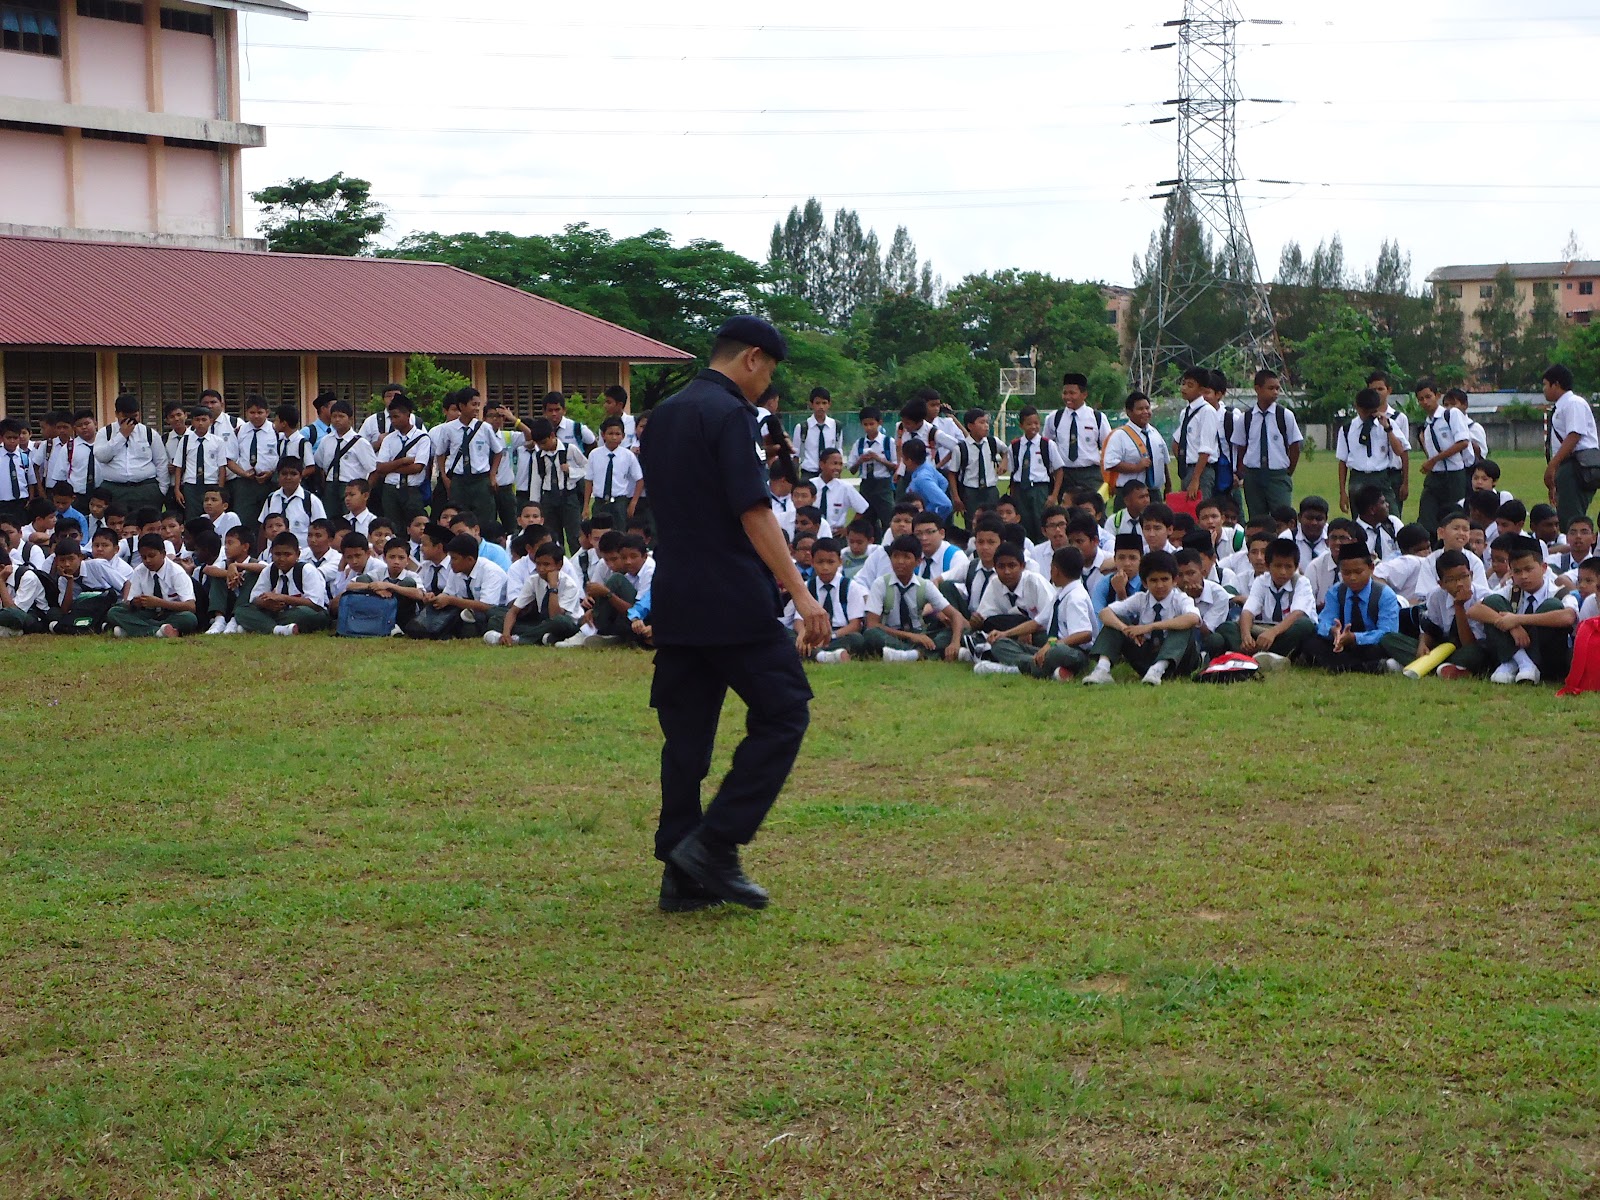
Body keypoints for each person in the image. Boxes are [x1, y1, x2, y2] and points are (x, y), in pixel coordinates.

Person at [639, 315, 827, 914]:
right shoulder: (731, 416)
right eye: (768, 371)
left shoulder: (664, 415)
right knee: (784, 709)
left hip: (675, 594)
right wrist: (800, 593)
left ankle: (680, 871)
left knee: (686, 739)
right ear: (751, 359)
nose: (766, 385)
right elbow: (753, 511)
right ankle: (715, 845)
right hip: (730, 597)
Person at [1469, 533, 1579, 685]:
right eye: (1517, 571)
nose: (1524, 576)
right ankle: (1521, 662)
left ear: (1544, 568)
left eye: (1529, 569)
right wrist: (1512, 626)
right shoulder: (1511, 590)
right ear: (1511, 573)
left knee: (1551, 606)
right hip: (1515, 655)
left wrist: (1517, 619)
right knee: (1493, 602)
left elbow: (1568, 617)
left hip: (1547, 659)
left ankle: (1524, 664)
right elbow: (1474, 610)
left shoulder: (1559, 591)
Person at [1083, 549, 1199, 686]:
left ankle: (1158, 669)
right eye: (1154, 580)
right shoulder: (1140, 599)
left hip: (1179, 662)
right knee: (1117, 620)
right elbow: (1105, 613)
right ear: (1145, 583)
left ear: (1174, 580)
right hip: (1146, 657)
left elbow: (1193, 618)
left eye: (1165, 579)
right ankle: (1102, 669)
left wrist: (1149, 627)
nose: (1160, 585)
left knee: (1182, 626)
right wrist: (1127, 629)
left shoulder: (1180, 599)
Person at [1302, 542, 1401, 674]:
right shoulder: (1336, 592)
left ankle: (1345, 665)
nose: (1353, 577)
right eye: (1346, 573)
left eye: (1358, 572)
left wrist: (1355, 638)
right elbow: (1324, 620)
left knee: (1381, 647)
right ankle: (1365, 667)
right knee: (1312, 643)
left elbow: (1387, 631)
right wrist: (1333, 631)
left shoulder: (1385, 594)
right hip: (1342, 643)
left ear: (1371, 568)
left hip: (1368, 643)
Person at [1231, 369, 1301, 520]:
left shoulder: (1285, 415)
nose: (1275, 392)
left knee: (1282, 518)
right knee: (1257, 520)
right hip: (1253, 476)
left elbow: (1295, 447)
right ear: (1257, 389)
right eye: (1271, 388)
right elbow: (1241, 448)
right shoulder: (1246, 418)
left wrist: (1287, 472)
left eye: (1277, 388)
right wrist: (1242, 472)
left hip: (1278, 475)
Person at [234, 532, 330, 636]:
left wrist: (282, 598)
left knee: (305, 614)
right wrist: (265, 603)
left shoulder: (306, 570)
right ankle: (277, 629)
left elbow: (314, 604)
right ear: (271, 553)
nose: (282, 559)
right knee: (241, 610)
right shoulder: (270, 570)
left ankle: (259, 626)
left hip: (305, 612)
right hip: (277, 613)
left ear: (298, 554)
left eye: (287, 554)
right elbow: (254, 599)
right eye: (277, 554)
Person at [106, 532, 197, 638]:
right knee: (115, 612)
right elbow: (130, 601)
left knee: (189, 619)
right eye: (143, 557)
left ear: (163, 553)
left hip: (171, 613)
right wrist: (135, 603)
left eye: (151, 556)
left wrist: (160, 603)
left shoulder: (177, 573)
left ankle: (133, 630)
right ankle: (158, 632)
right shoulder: (139, 571)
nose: (147, 561)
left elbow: (190, 606)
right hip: (148, 613)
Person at [1336, 386, 1408, 518]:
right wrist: (1342, 492)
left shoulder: (1387, 424)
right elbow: (1342, 461)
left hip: (1380, 477)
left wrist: (1388, 429)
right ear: (1357, 407)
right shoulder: (1347, 429)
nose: (1368, 416)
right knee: (1360, 520)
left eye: (1372, 412)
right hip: (1358, 478)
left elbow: (1399, 451)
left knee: (1391, 518)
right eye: (1365, 412)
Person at [1541, 363, 1598, 530]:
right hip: (1568, 466)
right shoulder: (1562, 406)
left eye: (1545, 384)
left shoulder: (1573, 403)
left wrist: (1553, 465)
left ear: (1556, 384)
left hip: (1576, 465)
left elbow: (1574, 434)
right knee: (1566, 515)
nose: (1543, 389)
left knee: (1571, 520)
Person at [92, 395, 169, 516]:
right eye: (126, 417)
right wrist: (121, 436)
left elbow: (161, 462)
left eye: (134, 416)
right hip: (114, 489)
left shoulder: (149, 433)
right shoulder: (105, 433)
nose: (131, 421)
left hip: (145, 489)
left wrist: (161, 490)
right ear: (117, 414)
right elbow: (101, 457)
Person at [1415, 383, 1473, 537]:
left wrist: (1434, 460)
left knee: (1454, 517)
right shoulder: (1427, 425)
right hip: (1435, 475)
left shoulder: (1451, 415)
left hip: (1454, 474)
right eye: (1421, 399)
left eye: (1428, 397)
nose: (1425, 402)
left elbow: (1463, 442)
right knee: (1426, 516)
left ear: (1437, 396)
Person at [1046, 373, 1111, 498]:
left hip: (1090, 474)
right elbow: (1047, 447)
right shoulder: (1054, 418)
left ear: (1084, 394)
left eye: (1072, 393)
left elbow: (1108, 447)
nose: (1067, 397)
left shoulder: (1097, 418)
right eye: (1065, 393)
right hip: (1064, 475)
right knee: (1067, 513)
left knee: (1092, 511)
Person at [373, 394, 432, 529]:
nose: (393, 421)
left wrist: (391, 467)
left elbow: (417, 467)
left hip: (412, 490)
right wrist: (403, 461)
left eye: (396, 416)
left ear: (407, 415)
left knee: (417, 527)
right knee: (393, 527)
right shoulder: (389, 439)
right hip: (390, 489)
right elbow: (380, 468)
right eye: (391, 417)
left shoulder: (422, 438)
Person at [314, 399, 377, 517]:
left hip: (351, 486)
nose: (337, 420)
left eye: (341, 416)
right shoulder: (326, 441)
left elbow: (373, 470)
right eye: (334, 416)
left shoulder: (360, 443)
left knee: (349, 519)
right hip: (330, 486)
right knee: (330, 520)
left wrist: (364, 492)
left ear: (350, 419)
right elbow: (320, 465)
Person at [1103, 391, 1170, 501]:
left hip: (1153, 492)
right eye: (1140, 409)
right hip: (1129, 494)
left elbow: (1163, 461)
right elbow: (1111, 463)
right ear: (1129, 412)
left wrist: (1168, 485)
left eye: (1147, 408)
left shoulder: (1154, 433)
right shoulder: (1119, 435)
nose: (1145, 412)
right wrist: (1136, 467)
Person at [584, 417, 643, 531]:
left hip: (619, 502)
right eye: (610, 433)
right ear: (603, 435)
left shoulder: (628, 455)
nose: (614, 437)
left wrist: (633, 502)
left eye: (618, 434)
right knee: (599, 533)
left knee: (620, 533)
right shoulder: (594, 455)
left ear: (623, 436)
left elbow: (639, 479)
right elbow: (589, 481)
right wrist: (586, 505)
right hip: (600, 502)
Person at [1173, 366, 1220, 501]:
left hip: (1201, 471)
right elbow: (1176, 442)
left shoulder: (1207, 412)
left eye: (1190, 385)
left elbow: (1206, 449)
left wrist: (1195, 479)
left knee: (1200, 510)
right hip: (1188, 469)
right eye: (1183, 384)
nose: (1184, 388)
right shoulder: (1186, 412)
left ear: (1202, 390)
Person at [848, 406, 896, 535]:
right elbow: (851, 469)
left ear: (879, 423)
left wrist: (879, 459)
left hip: (883, 485)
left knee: (889, 520)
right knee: (865, 523)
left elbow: (895, 466)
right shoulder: (859, 443)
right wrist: (860, 461)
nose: (869, 427)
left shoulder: (888, 442)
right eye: (865, 424)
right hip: (866, 485)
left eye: (872, 424)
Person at [792, 387, 840, 476]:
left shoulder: (836, 426)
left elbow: (838, 451)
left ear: (829, 404)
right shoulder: (802, 427)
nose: (821, 407)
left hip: (829, 473)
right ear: (811, 404)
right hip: (809, 473)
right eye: (817, 403)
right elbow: (796, 455)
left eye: (824, 403)